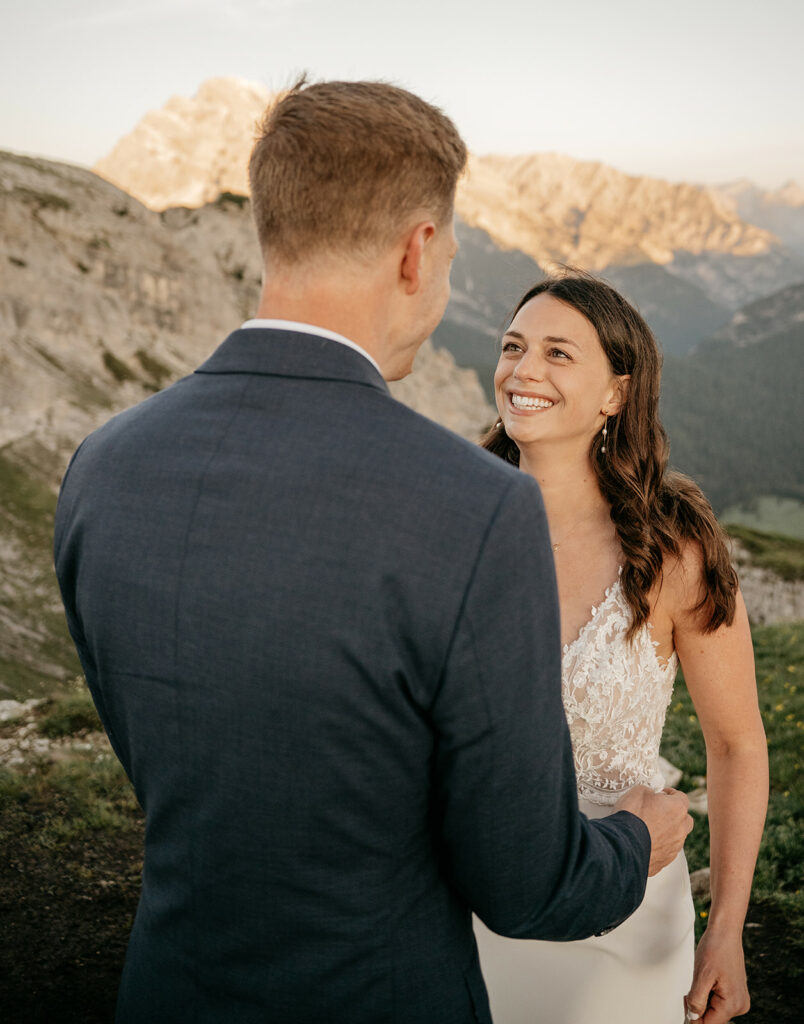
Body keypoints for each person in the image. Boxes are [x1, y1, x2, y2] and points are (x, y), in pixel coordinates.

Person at [54, 81, 691, 1023]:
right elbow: (529, 888)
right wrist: (637, 840)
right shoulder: (477, 507)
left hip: (169, 988)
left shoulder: (102, 466)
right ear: (417, 250)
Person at [474, 273, 768, 1024]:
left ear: (616, 393)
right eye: (513, 347)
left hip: (628, 904)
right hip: (471, 895)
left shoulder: (675, 551)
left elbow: (736, 746)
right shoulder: (452, 523)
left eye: (557, 353)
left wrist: (726, 931)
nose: (523, 370)